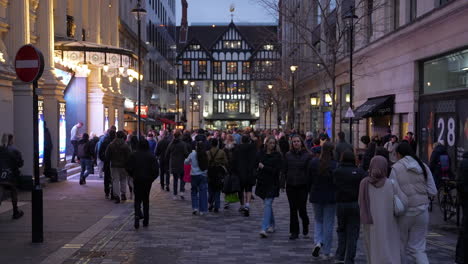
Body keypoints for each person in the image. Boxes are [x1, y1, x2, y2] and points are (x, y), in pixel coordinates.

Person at [390, 142, 437, 264]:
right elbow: (433, 191)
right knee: (418, 248)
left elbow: (392, 191)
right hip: (422, 211)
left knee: (401, 246)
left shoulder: (396, 168)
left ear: (399, 154)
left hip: (404, 212)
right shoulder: (423, 166)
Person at [359, 156, 404, 264]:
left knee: (373, 248)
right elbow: (403, 202)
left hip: (370, 223)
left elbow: (360, 202)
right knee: (389, 246)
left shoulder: (364, 183)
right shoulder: (391, 184)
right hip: (389, 222)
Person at [333, 151, 366, 264]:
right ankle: (349, 258)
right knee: (353, 232)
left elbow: (333, 185)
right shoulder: (360, 172)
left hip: (341, 204)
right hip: (355, 204)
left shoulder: (337, 171)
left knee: (341, 229)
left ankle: (340, 254)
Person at [309, 142, 338, 260]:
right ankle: (326, 251)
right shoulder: (335, 165)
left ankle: (318, 242)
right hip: (330, 197)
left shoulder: (314, 162)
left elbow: (309, 179)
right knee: (328, 224)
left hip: (316, 195)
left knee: (318, 220)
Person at [282, 135, 311, 240]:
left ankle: (305, 224)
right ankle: (294, 231)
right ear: (292, 143)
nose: (296, 143)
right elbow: (284, 170)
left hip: (303, 186)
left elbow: (309, 172)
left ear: (301, 143)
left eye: (298, 141)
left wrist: (309, 185)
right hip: (291, 185)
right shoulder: (288, 155)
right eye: (294, 142)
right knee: (293, 209)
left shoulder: (307, 155)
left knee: (302, 208)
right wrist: (282, 184)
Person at [126, 138, 159, 229]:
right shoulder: (151, 156)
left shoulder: (133, 155)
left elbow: (128, 167)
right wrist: (151, 179)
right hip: (147, 180)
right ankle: (146, 220)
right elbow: (156, 171)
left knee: (137, 199)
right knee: (146, 199)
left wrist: (133, 175)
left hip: (137, 179)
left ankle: (136, 216)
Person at [256, 136, 282, 238]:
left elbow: (276, 171)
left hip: (272, 183)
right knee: (268, 205)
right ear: (266, 143)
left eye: (273, 143)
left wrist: (264, 167)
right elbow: (256, 164)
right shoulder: (261, 154)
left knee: (267, 204)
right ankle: (272, 224)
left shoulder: (277, 156)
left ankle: (264, 228)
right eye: (270, 143)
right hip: (262, 183)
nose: (272, 145)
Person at [0, 134, 24, 219]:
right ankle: (15, 211)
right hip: (11, 175)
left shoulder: (1, 150)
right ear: (11, 140)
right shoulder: (14, 151)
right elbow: (20, 163)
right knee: (13, 192)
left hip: (1, 174)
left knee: (1, 190)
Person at [231, 135, 256, 216]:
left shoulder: (237, 148)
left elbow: (233, 160)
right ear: (248, 140)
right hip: (249, 170)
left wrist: (233, 170)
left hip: (240, 171)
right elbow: (255, 158)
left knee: (240, 190)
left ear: (241, 141)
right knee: (248, 189)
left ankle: (242, 205)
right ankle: (247, 205)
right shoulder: (252, 147)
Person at [106, 131, 132, 203]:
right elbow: (129, 156)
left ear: (116, 136)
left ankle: (117, 196)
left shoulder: (111, 145)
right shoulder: (126, 145)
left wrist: (110, 161)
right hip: (124, 166)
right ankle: (123, 194)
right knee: (123, 179)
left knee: (115, 180)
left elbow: (107, 155)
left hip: (114, 165)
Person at [185, 141, 209, 215]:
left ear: (196, 146)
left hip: (194, 175)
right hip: (203, 175)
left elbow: (186, 162)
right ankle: (202, 210)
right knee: (203, 193)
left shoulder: (192, 154)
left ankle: (195, 207)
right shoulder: (205, 154)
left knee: (194, 191)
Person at [166, 132, 190, 200]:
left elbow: (167, 154)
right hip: (181, 163)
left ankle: (175, 194)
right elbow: (186, 154)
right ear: (179, 136)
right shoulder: (183, 144)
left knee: (175, 179)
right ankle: (181, 191)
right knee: (182, 178)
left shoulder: (171, 144)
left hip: (173, 163)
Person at [207, 138, 228, 213]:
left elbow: (205, 162)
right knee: (217, 189)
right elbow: (225, 161)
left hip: (210, 172)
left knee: (210, 189)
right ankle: (217, 206)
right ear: (217, 144)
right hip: (218, 172)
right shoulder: (221, 152)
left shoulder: (208, 152)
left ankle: (210, 203)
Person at [456, 151, 468, 264]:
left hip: (465, 200)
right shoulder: (465, 163)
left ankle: (460, 258)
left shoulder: (463, 163)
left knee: (464, 230)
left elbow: (459, 183)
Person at [98, 129, 116, 199]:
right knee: (114, 178)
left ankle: (107, 192)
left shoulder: (105, 141)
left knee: (107, 178)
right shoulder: (115, 142)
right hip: (114, 163)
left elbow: (100, 153)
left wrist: (105, 159)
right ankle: (113, 193)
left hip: (107, 163)